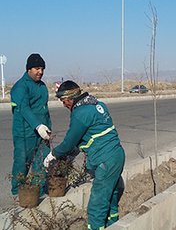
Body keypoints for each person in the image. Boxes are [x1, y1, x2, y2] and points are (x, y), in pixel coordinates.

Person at [43, 80, 125, 230]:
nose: (64, 104)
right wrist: (72, 153)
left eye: (64, 100)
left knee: (96, 206)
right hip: (117, 155)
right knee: (111, 195)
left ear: (71, 98)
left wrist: (53, 155)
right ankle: (113, 225)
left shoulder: (80, 113)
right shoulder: (97, 105)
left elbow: (69, 142)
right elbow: (91, 135)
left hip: (105, 160)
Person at [10, 53, 51, 196]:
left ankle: (37, 191)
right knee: (23, 162)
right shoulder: (20, 87)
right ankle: (17, 191)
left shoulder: (42, 86)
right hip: (25, 132)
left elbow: (44, 109)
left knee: (42, 161)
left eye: (42, 68)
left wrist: (47, 127)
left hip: (43, 131)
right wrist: (37, 126)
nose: (40, 72)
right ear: (28, 69)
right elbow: (24, 108)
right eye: (37, 68)